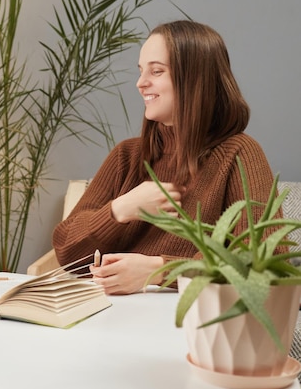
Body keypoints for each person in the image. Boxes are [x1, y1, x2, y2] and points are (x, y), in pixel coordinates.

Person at [52, 20, 280, 295]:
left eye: (156, 71)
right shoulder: (126, 156)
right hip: (109, 316)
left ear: (196, 78)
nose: (140, 83)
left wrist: (159, 270)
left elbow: (267, 264)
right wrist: (120, 210)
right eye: (141, 71)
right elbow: (66, 252)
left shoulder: (239, 154)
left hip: (185, 322)